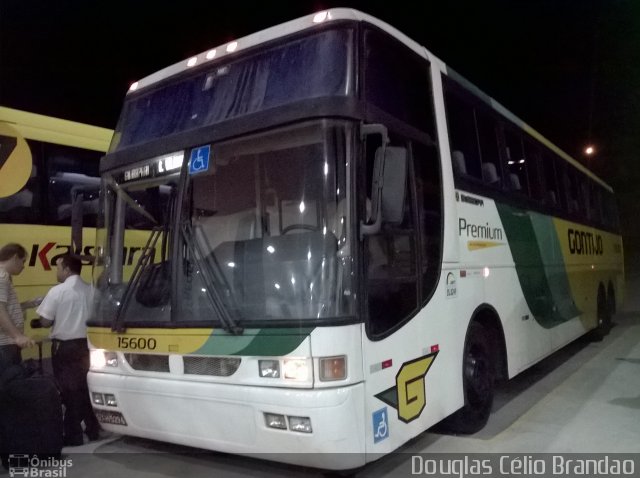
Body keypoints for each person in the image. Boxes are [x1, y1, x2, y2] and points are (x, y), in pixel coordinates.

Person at [34, 254, 100, 446]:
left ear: (67, 269)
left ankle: (74, 435)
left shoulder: (57, 292)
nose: (57, 271)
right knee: (86, 388)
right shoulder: (93, 291)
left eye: (58, 267)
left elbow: (46, 321)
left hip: (65, 349)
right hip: (88, 347)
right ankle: (93, 428)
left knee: (69, 391)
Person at [0, 243, 36, 373]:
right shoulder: (2, 277)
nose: (23, 266)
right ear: (15, 257)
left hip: (5, 345)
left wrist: (27, 304)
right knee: (9, 387)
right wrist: (17, 336)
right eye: (23, 261)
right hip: (4, 346)